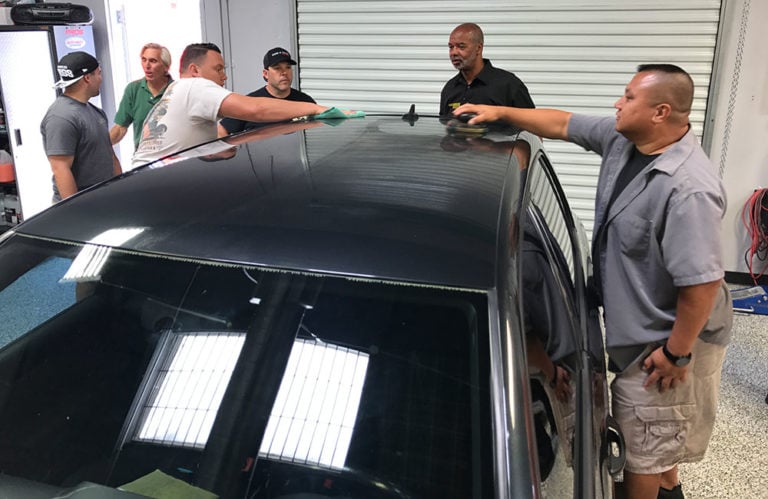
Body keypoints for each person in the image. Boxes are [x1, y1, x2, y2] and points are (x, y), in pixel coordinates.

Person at [455, 64, 733, 499]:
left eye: (627, 97)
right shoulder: (626, 140)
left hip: (671, 337)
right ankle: (670, 486)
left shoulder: (688, 188)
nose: (616, 104)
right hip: (644, 323)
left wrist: (676, 354)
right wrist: (499, 112)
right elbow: (563, 123)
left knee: (643, 446)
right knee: (660, 436)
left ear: (660, 112)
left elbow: (702, 284)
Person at [132, 43, 328, 167]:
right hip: (156, 181)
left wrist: (212, 152)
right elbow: (256, 110)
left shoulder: (176, 90)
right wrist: (318, 109)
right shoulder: (195, 85)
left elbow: (182, 145)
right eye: (218, 69)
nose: (224, 76)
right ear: (195, 70)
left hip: (146, 176)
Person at [41, 51, 122, 201]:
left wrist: (122, 190)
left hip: (104, 199)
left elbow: (110, 155)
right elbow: (60, 168)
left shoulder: (95, 112)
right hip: (83, 206)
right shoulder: (61, 117)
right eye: (99, 73)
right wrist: (75, 211)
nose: (101, 79)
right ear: (87, 78)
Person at [440, 23, 535, 117]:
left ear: (478, 48)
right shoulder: (450, 88)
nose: (454, 52)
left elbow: (531, 123)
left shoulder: (509, 84)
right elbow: (443, 126)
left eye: (461, 46)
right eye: (451, 47)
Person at [218, 47, 315, 136]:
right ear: (265, 74)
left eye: (288, 67)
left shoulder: (305, 101)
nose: (284, 73)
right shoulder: (250, 103)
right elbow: (221, 131)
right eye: (277, 68)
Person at [110, 43, 174, 149]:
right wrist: (101, 146)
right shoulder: (133, 89)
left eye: (153, 61)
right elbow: (120, 128)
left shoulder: (176, 90)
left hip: (171, 156)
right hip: (143, 157)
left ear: (166, 67)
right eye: (144, 60)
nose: (147, 65)